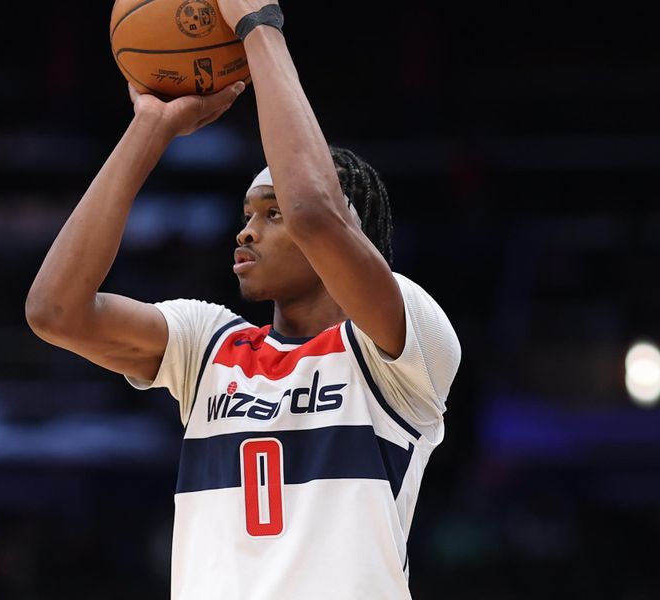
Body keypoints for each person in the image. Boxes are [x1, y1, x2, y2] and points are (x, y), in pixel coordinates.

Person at [26, 1, 461, 597]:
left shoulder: (405, 345)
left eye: (271, 213)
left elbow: (315, 211)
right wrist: (149, 128)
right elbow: (54, 311)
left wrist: (259, 28)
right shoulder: (211, 346)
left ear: (350, 230)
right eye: (247, 214)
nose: (246, 231)